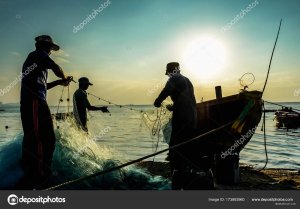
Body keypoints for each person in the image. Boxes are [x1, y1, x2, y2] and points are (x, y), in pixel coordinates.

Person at [20, 35, 72, 189]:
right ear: (45, 46)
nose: (51, 52)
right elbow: (56, 67)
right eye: (51, 49)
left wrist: (59, 82)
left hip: (35, 101)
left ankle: (35, 174)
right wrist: (63, 76)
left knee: (41, 139)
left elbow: (44, 85)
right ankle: (39, 177)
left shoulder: (36, 62)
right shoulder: (38, 55)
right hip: (34, 102)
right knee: (42, 139)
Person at [154, 62, 213, 190]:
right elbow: (187, 98)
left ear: (171, 71)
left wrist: (158, 101)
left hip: (182, 117)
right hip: (193, 117)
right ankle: (190, 173)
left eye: (168, 72)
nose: (168, 74)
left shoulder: (174, 78)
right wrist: (174, 106)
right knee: (188, 143)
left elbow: (166, 91)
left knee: (175, 145)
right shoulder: (187, 80)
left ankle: (177, 175)